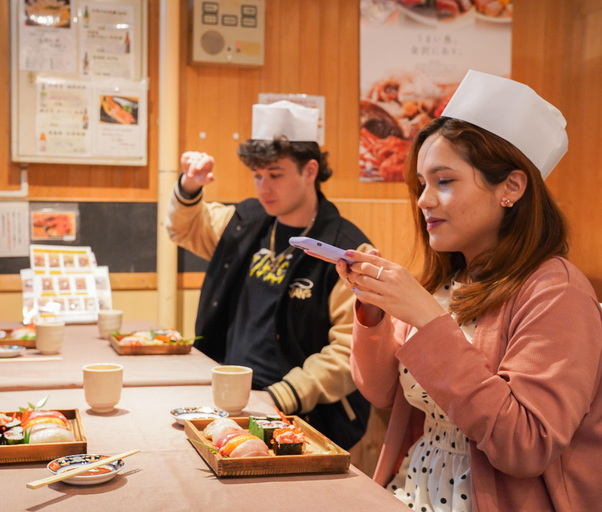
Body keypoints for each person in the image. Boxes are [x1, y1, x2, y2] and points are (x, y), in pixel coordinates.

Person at [339, 70, 602, 511]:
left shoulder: (557, 292)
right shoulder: (449, 280)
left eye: (444, 181)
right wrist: (373, 310)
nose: (423, 200)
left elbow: (526, 445)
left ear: (511, 188)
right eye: (421, 184)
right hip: (411, 488)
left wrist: (428, 320)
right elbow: (382, 393)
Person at [167, 101, 373, 449]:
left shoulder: (347, 250)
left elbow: (348, 350)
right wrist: (189, 186)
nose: (263, 188)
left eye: (275, 175)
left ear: (310, 171)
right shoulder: (245, 222)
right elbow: (184, 228)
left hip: (302, 415)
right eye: (257, 175)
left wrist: (280, 396)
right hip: (231, 400)